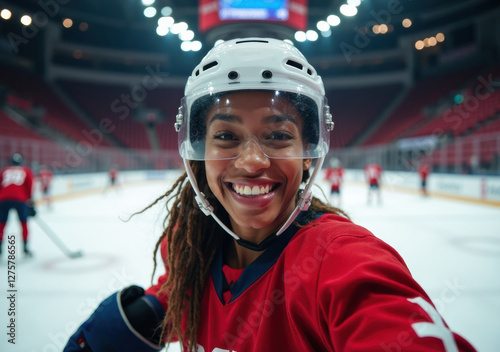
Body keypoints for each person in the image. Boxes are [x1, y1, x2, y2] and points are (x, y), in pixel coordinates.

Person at [64, 38, 476, 352]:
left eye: (279, 136)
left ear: (309, 154)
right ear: (197, 152)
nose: (251, 162)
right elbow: (187, 287)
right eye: (226, 136)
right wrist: (155, 307)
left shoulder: (340, 260)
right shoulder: (191, 243)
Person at [0, 153, 36, 257]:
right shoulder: (26, 171)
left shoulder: (4, 170)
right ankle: (25, 248)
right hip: (20, 200)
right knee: (24, 223)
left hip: (3, 199)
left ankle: (0, 247)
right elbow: (29, 187)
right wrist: (31, 203)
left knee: (1, 224)